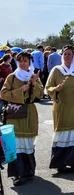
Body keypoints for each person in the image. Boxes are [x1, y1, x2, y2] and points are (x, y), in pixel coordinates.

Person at [46, 46, 74, 173]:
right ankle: (60, 164)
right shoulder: (56, 70)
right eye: (65, 54)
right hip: (62, 109)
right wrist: (56, 89)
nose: (67, 56)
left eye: (69, 54)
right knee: (62, 135)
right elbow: (48, 88)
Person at [0, 52, 43, 185]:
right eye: (20, 61)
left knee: (28, 143)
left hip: (29, 114)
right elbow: (3, 94)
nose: (23, 63)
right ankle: (17, 174)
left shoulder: (34, 76)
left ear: (30, 62)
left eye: (25, 60)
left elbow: (40, 94)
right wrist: (20, 91)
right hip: (15, 115)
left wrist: (34, 83)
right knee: (16, 145)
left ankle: (28, 171)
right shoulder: (12, 77)